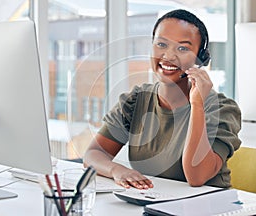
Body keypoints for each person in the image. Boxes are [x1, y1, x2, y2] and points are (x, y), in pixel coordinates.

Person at [83, 9, 241, 189]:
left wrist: (197, 104)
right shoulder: (135, 101)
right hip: (154, 203)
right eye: (161, 44)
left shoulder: (221, 109)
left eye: (183, 48)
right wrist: (117, 170)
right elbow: (93, 154)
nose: (169, 56)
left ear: (201, 58)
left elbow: (196, 177)